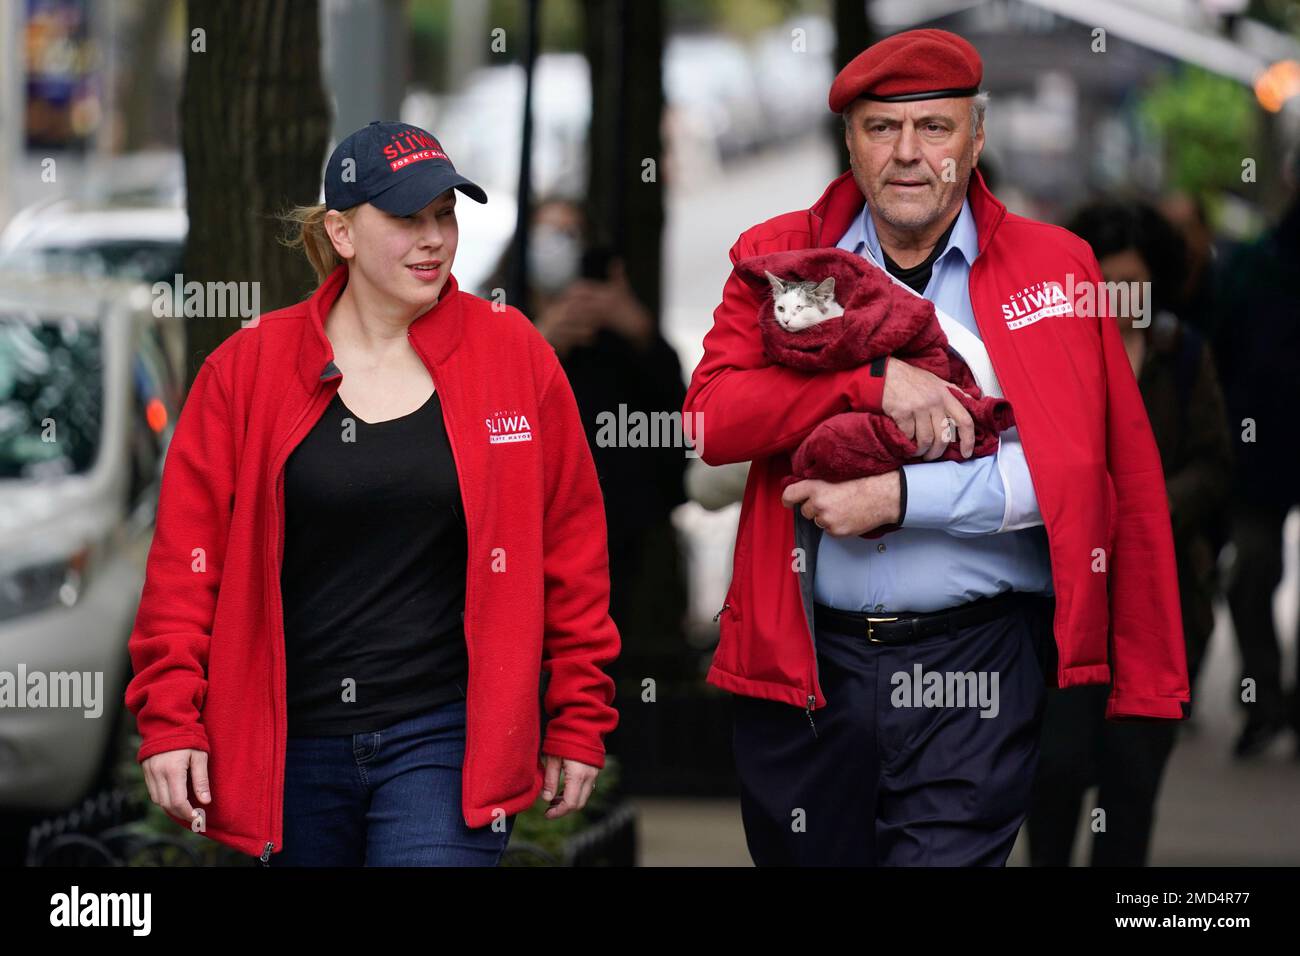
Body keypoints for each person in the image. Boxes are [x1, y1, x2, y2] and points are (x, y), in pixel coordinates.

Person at [683, 28, 1188, 866]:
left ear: (976, 138)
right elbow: (711, 423)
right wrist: (869, 381)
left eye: (936, 128)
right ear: (850, 142)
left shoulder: (1055, 270)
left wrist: (901, 499)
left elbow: (1079, 480)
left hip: (979, 667)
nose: (909, 154)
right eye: (883, 128)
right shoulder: (783, 259)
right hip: (808, 669)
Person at [124, 121, 620, 866]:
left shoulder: (513, 352)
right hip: (288, 742)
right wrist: (171, 720)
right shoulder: (246, 369)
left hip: (444, 736)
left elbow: (572, 556)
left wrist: (578, 717)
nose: (434, 239)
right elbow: (185, 567)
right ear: (342, 232)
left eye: (445, 216)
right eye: (407, 218)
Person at [1027, 199, 1232, 866]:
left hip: (1158, 601)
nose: (1119, 299)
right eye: (1106, 284)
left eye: (1133, 284)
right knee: (1054, 775)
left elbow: (1215, 459)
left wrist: (1149, 510)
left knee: (1132, 784)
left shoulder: (1181, 354)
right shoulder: (1056, 352)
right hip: (1069, 608)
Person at [486, 199, 690, 683]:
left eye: (570, 233)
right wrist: (541, 341)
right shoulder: (493, 317)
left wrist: (637, 328)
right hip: (518, 530)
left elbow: (680, 420)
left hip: (613, 530)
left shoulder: (615, 330)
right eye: (545, 233)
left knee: (603, 656)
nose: (556, 246)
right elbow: (478, 410)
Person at [1212, 141, 1300, 759]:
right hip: (1260, 453)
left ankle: (1273, 702)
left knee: (1253, 576)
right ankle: (1266, 699)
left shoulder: (1252, 264)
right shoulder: (1254, 265)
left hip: (1260, 451)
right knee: (1252, 577)